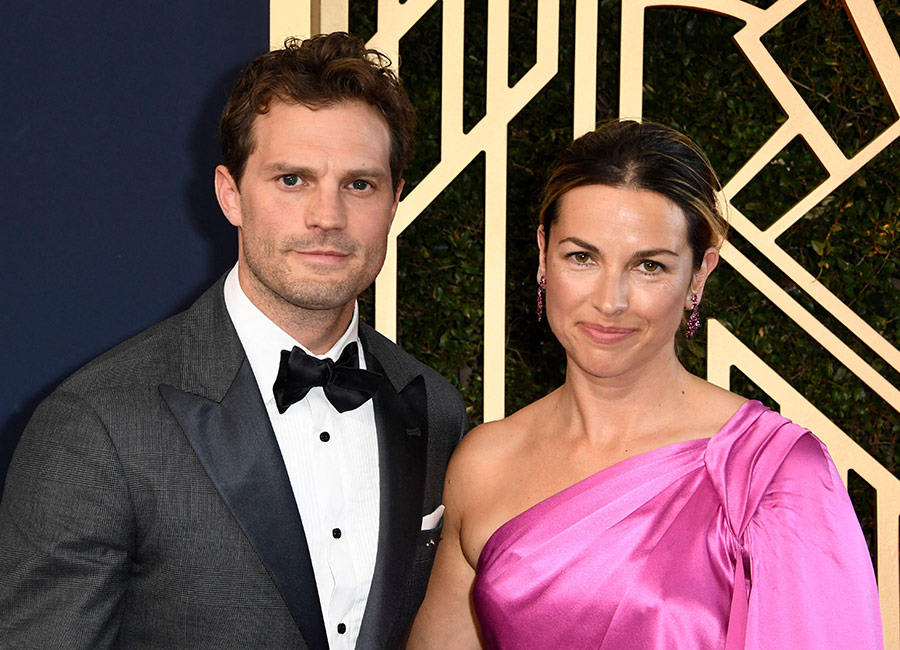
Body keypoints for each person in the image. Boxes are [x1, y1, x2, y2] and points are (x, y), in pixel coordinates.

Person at [0, 33, 466, 650]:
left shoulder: (434, 406)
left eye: (359, 184)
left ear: (394, 202)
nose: (327, 215)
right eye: (293, 179)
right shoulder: (99, 422)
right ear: (230, 195)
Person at [408, 120, 883, 649]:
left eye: (649, 266)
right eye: (581, 257)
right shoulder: (484, 463)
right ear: (543, 254)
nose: (610, 300)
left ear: (700, 272)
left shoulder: (769, 473)